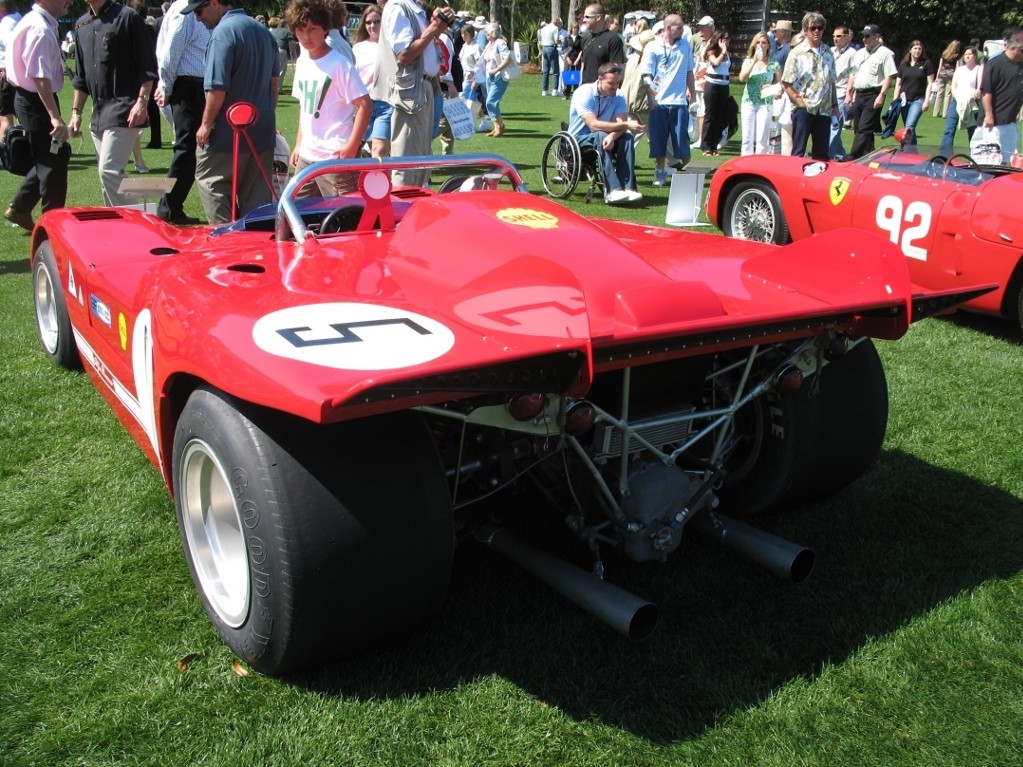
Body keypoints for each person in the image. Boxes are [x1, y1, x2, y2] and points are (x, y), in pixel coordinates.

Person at [186, 0, 280, 224]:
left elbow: (217, 87)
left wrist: (206, 124)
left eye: (199, 11)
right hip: (261, 132)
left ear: (215, 3)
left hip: (227, 136)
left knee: (213, 185)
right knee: (256, 204)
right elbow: (274, 83)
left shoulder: (222, 33)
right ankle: (257, 251)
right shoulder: (264, 32)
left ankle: (226, 247)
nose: (198, 18)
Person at [68, 0, 158, 208]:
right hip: (98, 115)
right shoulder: (81, 25)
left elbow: (147, 66)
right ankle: (119, 227)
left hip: (125, 110)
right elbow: (80, 79)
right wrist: (76, 113)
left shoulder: (128, 17)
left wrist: (142, 102)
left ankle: (138, 225)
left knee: (109, 170)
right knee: (107, 179)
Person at [285, 0, 369, 196]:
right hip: (307, 155)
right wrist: (299, 143)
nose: (307, 36)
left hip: (334, 155)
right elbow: (306, 108)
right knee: (294, 211)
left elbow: (365, 104)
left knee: (342, 216)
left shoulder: (339, 64)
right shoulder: (303, 60)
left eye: (313, 29)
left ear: (325, 29)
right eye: (300, 29)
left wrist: (351, 146)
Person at [4, 0, 71, 230]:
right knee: (52, 164)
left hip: (32, 100)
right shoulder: (39, 28)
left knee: (54, 157)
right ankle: (51, 228)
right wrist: (54, 116)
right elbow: (39, 77)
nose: (70, 1)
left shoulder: (38, 23)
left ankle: (20, 208)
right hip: (35, 102)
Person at [372, 0, 450, 188]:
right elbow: (405, 54)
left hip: (424, 89)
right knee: (406, 166)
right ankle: (403, 213)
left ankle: (416, 210)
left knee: (420, 163)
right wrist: (434, 28)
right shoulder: (398, 8)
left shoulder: (415, 9)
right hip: (410, 96)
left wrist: (437, 28)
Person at [154, 0, 209, 224]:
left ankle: (171, 206)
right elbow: (170, 51)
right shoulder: (185, 11)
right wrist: (165, 86)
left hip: (196, 86)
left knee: (191, 150)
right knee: (186, 149)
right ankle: (169, 208)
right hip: (188, 87)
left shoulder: (184, 9)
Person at [567, 61, 642, 204]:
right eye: (611, 83)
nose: (615, 87)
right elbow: (593, 125)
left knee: (626, 137)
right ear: (600, 79)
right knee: (600, 136)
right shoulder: (584, 92)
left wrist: (613, 136)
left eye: (617, 83)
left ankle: (628, 188)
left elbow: (621, 125)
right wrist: (625, 125)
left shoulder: (619, 95)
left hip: (603, 137)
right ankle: (613, 190)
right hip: (577, 140)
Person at [640, 14, 695, 185]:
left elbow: (689, 71)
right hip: (659, 101)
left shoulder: (685, 46)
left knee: (681, 139)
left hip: (679, 101)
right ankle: (660, 172)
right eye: (680, 27)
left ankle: (692, 173)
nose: (683, 29)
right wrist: (650, 98)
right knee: (658, 140)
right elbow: (647, 75)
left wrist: (692, 95)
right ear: (669, 28)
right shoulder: (653, 47)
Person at [781, 11, 837, 160]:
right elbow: (786, 82)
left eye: (820, 28)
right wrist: (800, 102)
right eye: (813, 28)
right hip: (804, 108)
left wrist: (835, 106)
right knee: (798, 151)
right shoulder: (797, 53)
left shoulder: (829, 53)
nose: (817, 31)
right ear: (805, 31)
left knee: (821, 153)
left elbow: (831, 81)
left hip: (823, 110)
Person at [847, 24, 895, 159]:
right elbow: (853, 74)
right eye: (863, 36)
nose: (864, 39)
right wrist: (849, 93)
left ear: (877, 36)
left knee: (864, 128)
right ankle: (869, 155)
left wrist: (882, 95)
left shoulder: (885, 53)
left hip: (873, 94)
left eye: (867, 36)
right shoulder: (859, 53)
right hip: (859, 93)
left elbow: (889, 76)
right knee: (858, 128)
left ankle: (853, 156)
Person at [352, 4, 390, 158]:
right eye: (368, 22)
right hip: (364, 104)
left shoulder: (391, 45)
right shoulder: (358, 48)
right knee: (371, 151)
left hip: (385, 104)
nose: (372, 26)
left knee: (379, 151)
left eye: (376, 21)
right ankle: (381, 181)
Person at [980, 30, 1023, 164]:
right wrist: (989, 115)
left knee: (1008, 161)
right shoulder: (995, 64)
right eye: (1022, 50)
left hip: (1010, 121)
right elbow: (986, 91)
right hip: (994, 123)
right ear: (1013, 49)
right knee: (990, 162)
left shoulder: (1021, 65)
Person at [739, 31, 780, 156]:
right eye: (758, 42)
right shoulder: (748, 61)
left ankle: (759, 164)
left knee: (762, 136)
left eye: (764, 43)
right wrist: (754, 61)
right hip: (749, 102)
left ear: (768, 45)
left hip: (765, 103)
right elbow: (742, 78)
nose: (761, 45)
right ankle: (745, 164)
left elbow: (781, 84)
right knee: (747, 137)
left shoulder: (774, 63)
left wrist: (772, 87)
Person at [939, 45, 983, 154]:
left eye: (970, 54)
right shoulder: (959, 70)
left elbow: (979, 88)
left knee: (972, 130)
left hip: (971, 104)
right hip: (957, 102)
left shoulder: (979, 68)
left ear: (975, 56)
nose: (967, 56)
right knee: (949, 129)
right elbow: (953, 87)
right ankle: (945, 155)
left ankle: (975, 155)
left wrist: (975, 94)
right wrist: (958, 99)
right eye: (966, 54)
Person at [891, 40, 935, 142]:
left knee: (909, 126)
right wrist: (894, 101)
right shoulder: (903, 64)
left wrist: (926, 101)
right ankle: (913, 151)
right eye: (915, 48)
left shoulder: (926, 64)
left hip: (918, 100)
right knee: (910, 128)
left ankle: (906, 149)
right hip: (904, 100)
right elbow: (898, 84)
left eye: (920, 49)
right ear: (910, 50)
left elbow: (930, 84)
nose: (917, 51)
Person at [699, 29, 730, 156]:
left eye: (728, 39)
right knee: (709, 115)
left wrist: (725, 51)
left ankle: (714, 145)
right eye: (724, 39)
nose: (727, 42)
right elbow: (715, 63)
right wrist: (722, 51)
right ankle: (706, 146)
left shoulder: (727, 53)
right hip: (712, 85)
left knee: (719, 116)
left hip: (724, 85)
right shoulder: (711, 51)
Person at [579, 4, 624, 84]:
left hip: (604, 90)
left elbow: (616, 67)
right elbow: (583, 64)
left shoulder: (613, 39)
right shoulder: (586, 37)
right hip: (586, 87)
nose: (584, 20)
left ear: (598, 17)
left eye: (587, 17)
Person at [829, 24, 856, 159]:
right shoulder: (830, 51)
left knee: (834, 127)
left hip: (841, 93)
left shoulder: (852, 54)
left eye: (838, 36)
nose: (835, 39)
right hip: (828, 93)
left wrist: (849, 94)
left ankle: (826, 157)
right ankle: (841, 156)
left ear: (847, 38)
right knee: (831, 126)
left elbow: (853, 74)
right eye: (834, 36)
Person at [481, 21, 511, 137]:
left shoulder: (500, 43)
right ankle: (497, 127)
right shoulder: (489, 44)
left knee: (490, 102)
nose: (485, 34)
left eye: (487, 32)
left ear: (493, 32)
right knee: (492, 102)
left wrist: (497, 69)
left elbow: (507, 58)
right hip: (489, 76)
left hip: (499, 77)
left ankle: (500, 126)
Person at [0, 0, 23, 136]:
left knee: (4, 118)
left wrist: (7, 68)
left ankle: (5, 153)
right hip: (16, 76)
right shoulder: (18, 18)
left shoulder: (6, 24)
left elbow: (14, 48)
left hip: (8, 76)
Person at [931, 41, 959, 118]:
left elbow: (940, 66)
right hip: (951, 76)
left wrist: (937, 77)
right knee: (948, 95)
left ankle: (935, 112)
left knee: (939, 94)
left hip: (941, 75)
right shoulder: (956, 56)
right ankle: (945, 113)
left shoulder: (944, 54)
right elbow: (957, 67)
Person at [270, 17, 296, 94]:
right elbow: (292, 41)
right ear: (285, 25)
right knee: (281, 70)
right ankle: (277, 89)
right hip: (280, 51)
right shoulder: (286, 31)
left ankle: (274, 88)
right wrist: (294, 53)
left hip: (272, 51)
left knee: (274, 69)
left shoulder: (273, 31)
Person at [538, 15, 560, 96]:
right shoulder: (555, 28)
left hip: (544, 48)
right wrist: (559, 42)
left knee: (546, 70)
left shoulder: (544, 28)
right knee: (555, 70)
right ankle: (555, 90)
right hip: (551, 48)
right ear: (556, 21)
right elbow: (556, 40)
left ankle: (545, 90)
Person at [561, 20, 582, 99]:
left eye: (577, 28)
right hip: (568, 59)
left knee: (576, 77)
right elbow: (564, 49)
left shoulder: (580, 39)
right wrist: (567, 59)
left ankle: (576, 94)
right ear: (571, 29)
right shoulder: (567, 38)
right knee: (568, 76)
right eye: (574, 28)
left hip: (577, 59)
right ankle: (566, 94)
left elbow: (581, 50)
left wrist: (578, 60)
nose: (575, 29)